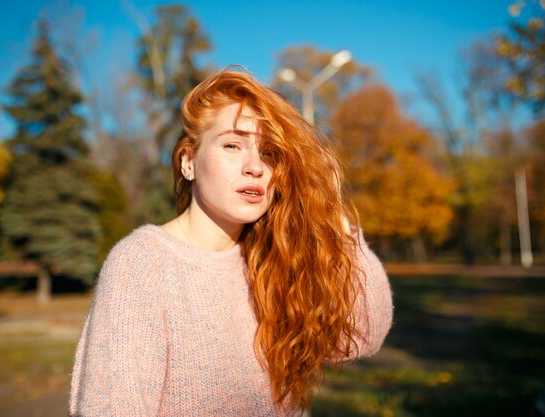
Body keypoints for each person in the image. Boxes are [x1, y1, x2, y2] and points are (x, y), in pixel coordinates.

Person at [69, 68, 393, 416]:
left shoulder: (271, 260)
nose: (255, 166)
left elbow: (361, 336)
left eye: (269, 153)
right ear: (188, 162)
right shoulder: (142, 264)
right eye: (232, 145)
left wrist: (333, 213)